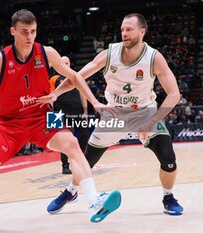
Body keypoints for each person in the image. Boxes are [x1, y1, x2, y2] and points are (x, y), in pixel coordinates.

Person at [0, 9, 121, 233]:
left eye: (33, 31)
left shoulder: (47, 53)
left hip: (43, 115)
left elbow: (75, 77)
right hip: (9, 124)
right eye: (24, 32)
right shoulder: (0, 58)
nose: (29, 36)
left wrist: (94, 101)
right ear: (13, 32)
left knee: (73, 145)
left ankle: (94, 201)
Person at [40, 13, 184, 216]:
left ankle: (168, 197)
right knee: (86, 160)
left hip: (144, 112)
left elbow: (174, 94)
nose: (124, 33)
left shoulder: (154, 58)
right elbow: (76, 78)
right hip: (114, 114)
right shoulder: (109, 54)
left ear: (142, 32)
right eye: (122, 29)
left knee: (168, 158)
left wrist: (152, 121)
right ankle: (71, 191)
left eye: (129, 29)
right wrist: (55, 93)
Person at [50, 56, 89, 174]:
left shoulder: (76, 77)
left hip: (77, 112)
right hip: (60, 113)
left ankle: (81, 160)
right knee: (65, 139)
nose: (65, 65)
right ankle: (65, 165)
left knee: (84, 135)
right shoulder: (54, 79)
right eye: (63, 63)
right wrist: (52, 114)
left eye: (67, 63)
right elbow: (50, 96)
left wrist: (85, 111)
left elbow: (83, 94)